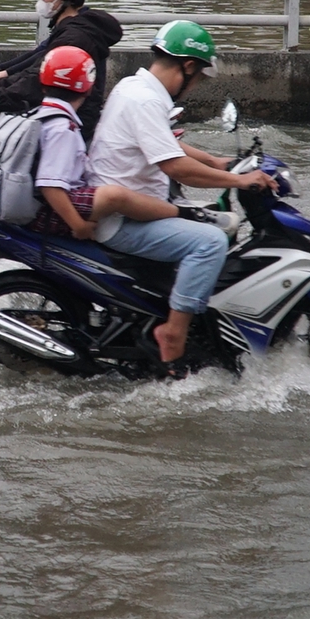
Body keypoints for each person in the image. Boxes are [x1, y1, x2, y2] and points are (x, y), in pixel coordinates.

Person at [84, 20, 274, 370]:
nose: (195, 86)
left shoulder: (134, 87)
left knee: (215, 220)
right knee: (211, 242)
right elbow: (176, 167)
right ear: (187, 67)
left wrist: (216, 161)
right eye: (199, 77)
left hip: (134, 205)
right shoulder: (145, 100)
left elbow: (163, 142)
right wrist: (240, 181)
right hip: (123, 219)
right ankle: (173, 332)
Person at [0, 0, 125, 149]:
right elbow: (37, 60)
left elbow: (37, 78)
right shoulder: (69, 29)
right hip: (55, 106)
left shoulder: (74, 37)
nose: (41, 1)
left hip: (70, 116)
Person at [29, 47, 101, 240]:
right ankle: (173, 213)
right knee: (118, 197)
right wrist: (79, 226)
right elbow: (50, 185)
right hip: (50, 212)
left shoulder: (35, 115)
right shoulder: (63, 128)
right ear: (88, 89)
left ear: (43, 85)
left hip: (31, 202)